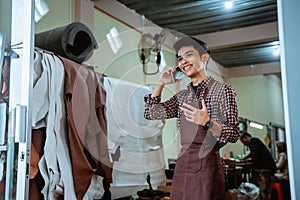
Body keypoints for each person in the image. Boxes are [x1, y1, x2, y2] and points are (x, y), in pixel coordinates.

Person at [144, 37, 240, 200]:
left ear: (204, 57)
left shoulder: (223, 91)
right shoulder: (182, 97)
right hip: (183, 164)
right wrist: (161, 83)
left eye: (189, 55)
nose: (183, 62)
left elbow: (233, 134)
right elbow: (151, 113)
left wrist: (208, 123)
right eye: (180, 58)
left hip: (207, 166)